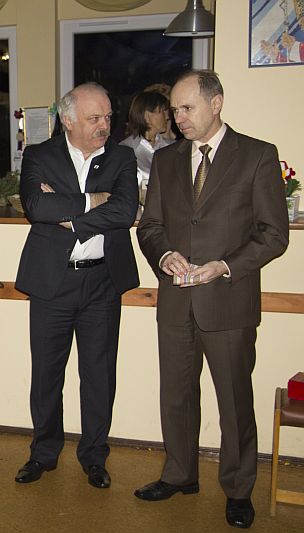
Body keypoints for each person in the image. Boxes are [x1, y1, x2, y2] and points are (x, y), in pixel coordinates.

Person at [135, 70, 289, 529]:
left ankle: (239, 490)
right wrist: (164, 255)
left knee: (234, 402)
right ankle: (180, 474)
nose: (178, 118)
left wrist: (224, 265)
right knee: (176, 396)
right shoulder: (166, 160)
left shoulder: (258, 156)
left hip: (228, 300)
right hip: (176, 302)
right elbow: (150, 226)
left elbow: (273, 234)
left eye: (187, 108)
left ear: (216, 103)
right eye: (175, 110)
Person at [13, 83, 139, 489]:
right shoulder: (39, 155)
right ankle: (43, 452)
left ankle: (94, 456)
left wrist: (70, 215)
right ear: (68, 120)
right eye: (94, 118)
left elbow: (125, 210)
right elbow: (37, 206)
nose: (105, 125)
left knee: (99, 375)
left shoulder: (121, 156)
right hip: (52, 282)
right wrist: (93, 199)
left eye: (108, 117)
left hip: (102, 281)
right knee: (47, 374)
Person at [119, 90, 174, 202]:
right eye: (162, 111)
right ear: (147, 116)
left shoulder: (172, 147)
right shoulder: (124, 150)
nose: (167, 116)